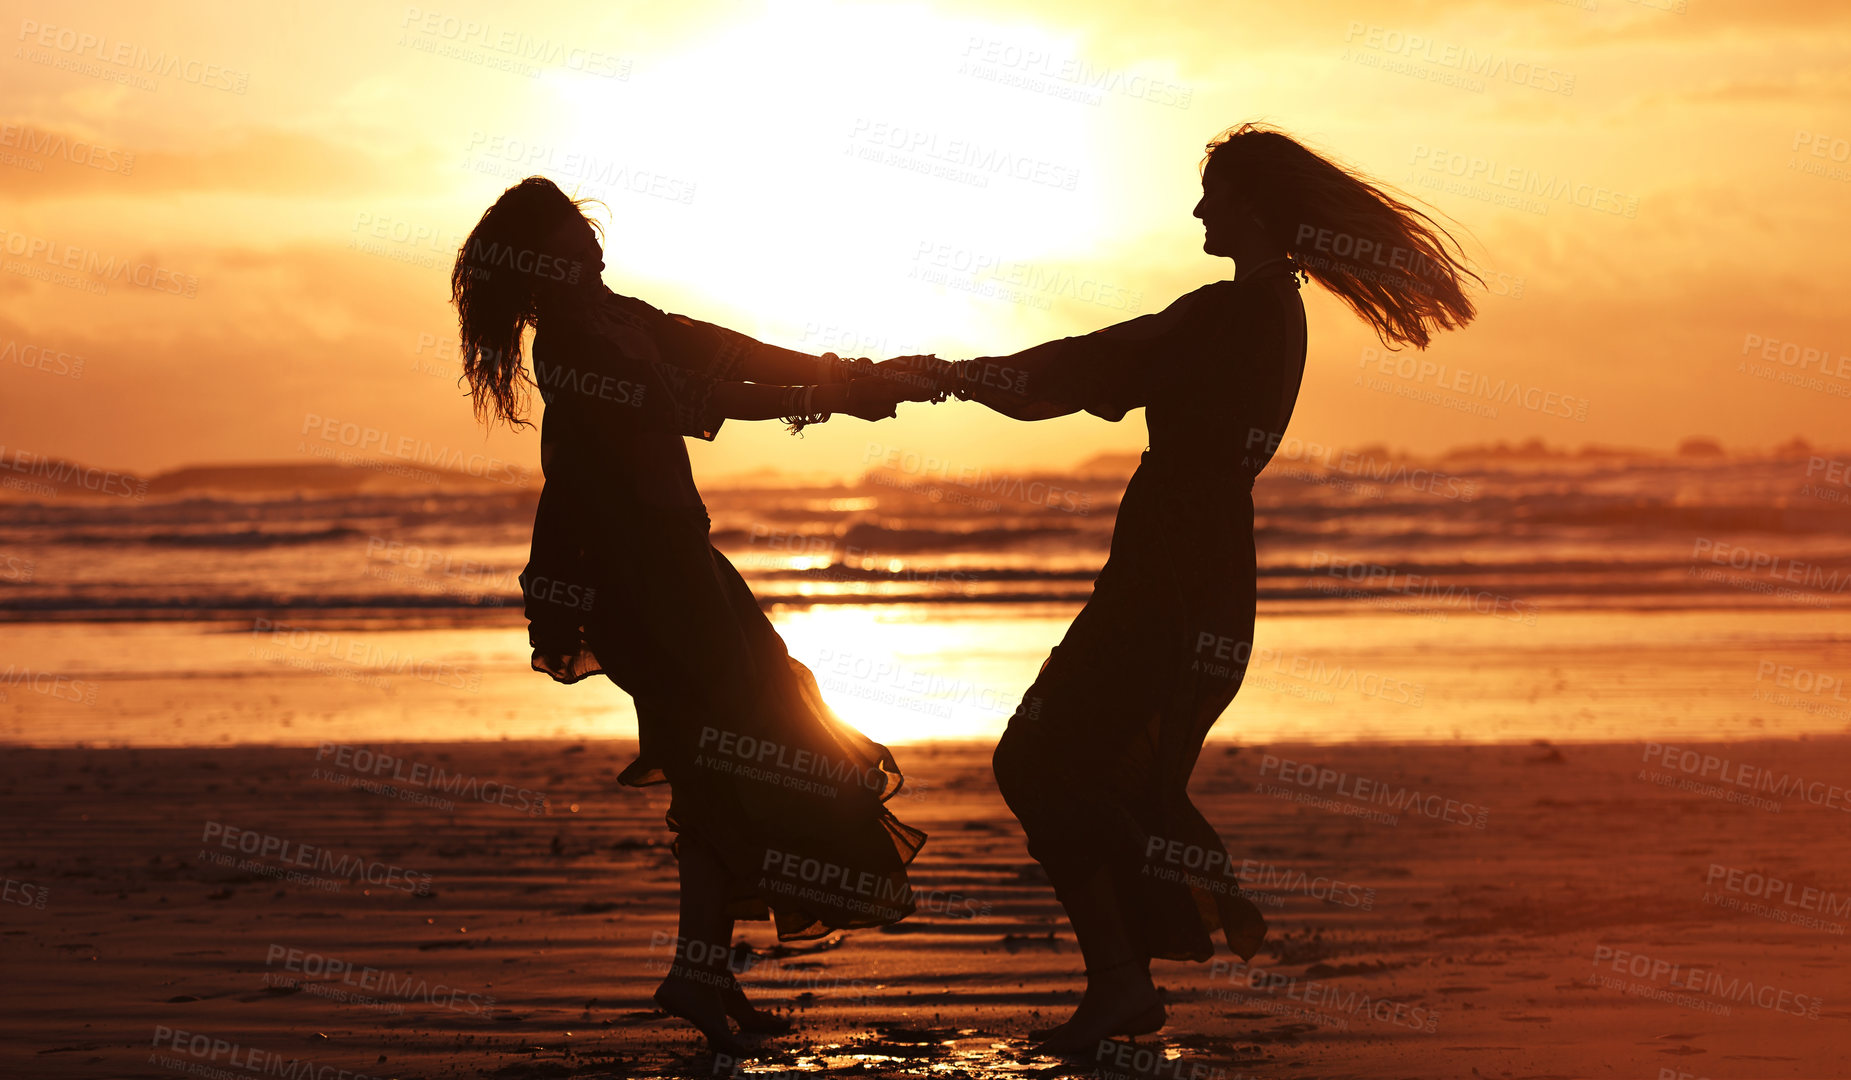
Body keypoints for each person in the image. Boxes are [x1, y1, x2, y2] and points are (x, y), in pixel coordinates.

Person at [882, 123, 1480, 1053]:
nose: (1198, 209)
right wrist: (962, 378)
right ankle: (1123, 978)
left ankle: (1122, 982)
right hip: (1198, 572)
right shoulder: (1265, 314)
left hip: (1169, 580)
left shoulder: (1231, 315)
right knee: (1081, 767)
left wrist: (951, 376)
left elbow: (1084, 365)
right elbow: (1095, 361)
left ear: (1253, 205)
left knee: (1036, 760)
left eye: (1213, 194)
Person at [450, 177, 937, 1057]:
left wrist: (836, 373)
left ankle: (701, 973)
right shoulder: (567, 346)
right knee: (742, 755)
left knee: (733, 763)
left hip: (687, 567)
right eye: (567, 250)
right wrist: (832, 394)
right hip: (641, 584)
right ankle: (699, 972)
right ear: (536, 271)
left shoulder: (620, 316)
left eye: (587, 241)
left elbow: (719, 349)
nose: (590, 255)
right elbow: (688, 399)